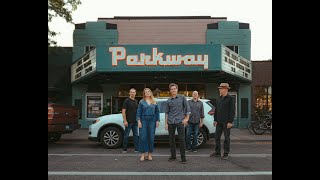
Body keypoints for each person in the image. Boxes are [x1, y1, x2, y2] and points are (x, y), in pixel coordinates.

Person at [165, 83, 191, 164]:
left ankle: (183, 158)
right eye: (171, 89)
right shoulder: (168, 100)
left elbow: (188, 109)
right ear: (170, 90)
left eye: (174, 89)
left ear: (177, 89)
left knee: (182, 140)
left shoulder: (182, 98)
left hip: (180, 121)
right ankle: (173, 156)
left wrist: (186, 118)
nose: (173, 90)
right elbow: (166, 113)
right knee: (171, 140)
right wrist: (166, 123)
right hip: (171, 122)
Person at [210, 83, 235, 160]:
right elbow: (216, 110)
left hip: (226, 122)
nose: (219, 90)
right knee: (217, 137)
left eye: (221, 88)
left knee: (226, 138)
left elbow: (232, 111)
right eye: (219, 88)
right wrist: (215, 120)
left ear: (225, 89)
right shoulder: (218, 99)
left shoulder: (231, 98)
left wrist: (230, 122)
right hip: (219, 122)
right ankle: (217, 152)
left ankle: (226, 153)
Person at [136, 88, 160, 161]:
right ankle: (143, 154)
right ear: (144, 94)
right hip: (143, 120)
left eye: (148, 91)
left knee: (151, 137)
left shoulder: (154, 102)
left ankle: (149, 154)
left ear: (151, 93)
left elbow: (157, 112)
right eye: (146, 92)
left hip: (152, 120)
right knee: (143, 137)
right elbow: (138, 112)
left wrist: (157, 120)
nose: (147, 93)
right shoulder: (141, 102)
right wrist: (139, 121)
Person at [122, 88, 139, 153]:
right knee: (126, 135)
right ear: (129, 93)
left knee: (136, 135)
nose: (132, 93)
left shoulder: (136, 101)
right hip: (128, 121)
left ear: (135, 93)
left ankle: (136, 149)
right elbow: (123, 111)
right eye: (131, 92)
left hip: (135, 122)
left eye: (134, 92)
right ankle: (124, 149)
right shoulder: (126, 101)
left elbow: (137, 111)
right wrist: (125, 120)